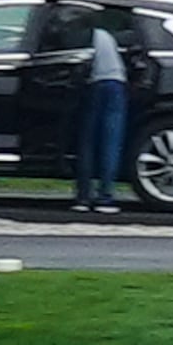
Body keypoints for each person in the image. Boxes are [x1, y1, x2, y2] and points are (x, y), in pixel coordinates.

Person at [75, 14, 131, 213]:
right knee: (111, 142)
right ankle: (106, 196)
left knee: (87, 142)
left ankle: (83, 196)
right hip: (116, 84)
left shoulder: (82, 36)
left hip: (94, 84)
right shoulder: (106, 36)